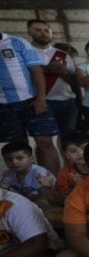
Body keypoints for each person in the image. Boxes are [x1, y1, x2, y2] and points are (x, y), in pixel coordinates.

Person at [0, 31, 62, 174]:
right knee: (18, 146)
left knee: (44, 142)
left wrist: (40, 98)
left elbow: (36, 71)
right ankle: (26, 184)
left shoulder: (17, 42)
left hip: (31, 100)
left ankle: (53, 183)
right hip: (3, 105)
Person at [27, 20, 78, 134]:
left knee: (68, 137)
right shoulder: (26, 52)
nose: (43, 33)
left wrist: (63, 72)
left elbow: (73, 80)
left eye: (46, 30)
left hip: (66, 102)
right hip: (40, 102)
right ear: (29, 32)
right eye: (38, 30)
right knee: (45, 139)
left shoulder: (62, 54)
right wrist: (45, 69)